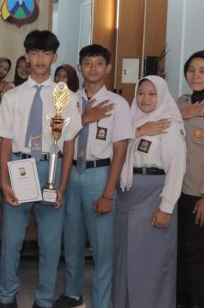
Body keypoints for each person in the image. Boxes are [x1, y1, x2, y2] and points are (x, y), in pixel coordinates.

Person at [0, 30, 82, 308]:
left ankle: (44, 300)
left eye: (46, 53)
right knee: (11, 242)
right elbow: (5, 143)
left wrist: (62, 186)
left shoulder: (66, 97)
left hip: (51, 169)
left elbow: (69, 145)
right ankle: (7, 298)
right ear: (27, 57)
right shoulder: (12, 96)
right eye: (34, 53)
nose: (40, 59)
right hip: (19, 168)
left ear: (55, 57)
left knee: (50, 245)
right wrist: (4, 182)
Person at [54, 44, 132, 308]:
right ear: (79, 67)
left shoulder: (118, 104)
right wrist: (84, 118)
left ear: (108, 67)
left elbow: (120, 151)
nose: (93, 68)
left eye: (99, 63)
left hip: (100, 174)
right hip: (71, 171)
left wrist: (108, 194)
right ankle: (73, 294)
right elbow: (58, 136)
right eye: (87, 63)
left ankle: (101, 301)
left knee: (102, 246)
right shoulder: (68, 99)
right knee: (72, 240)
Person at [113, 76, 185, 308]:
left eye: (152, 94)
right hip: (126, 195)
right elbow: (114, 149)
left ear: (162, 96)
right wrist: (139, 131)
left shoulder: (170, 125)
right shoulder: (130, 120)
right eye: (141, 93)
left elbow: (176, 169)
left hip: (154, 196)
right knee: (125, 254)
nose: (145, 98)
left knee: (149, 257)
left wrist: (166, 208)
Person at [178, 50, 204, 308]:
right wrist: (181, 115)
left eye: (203, 71)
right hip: (177, 190)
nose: (195, 75)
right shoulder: (181, 102)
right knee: (180, 249)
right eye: (191, 70)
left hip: (198, 193)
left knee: (195, 252)